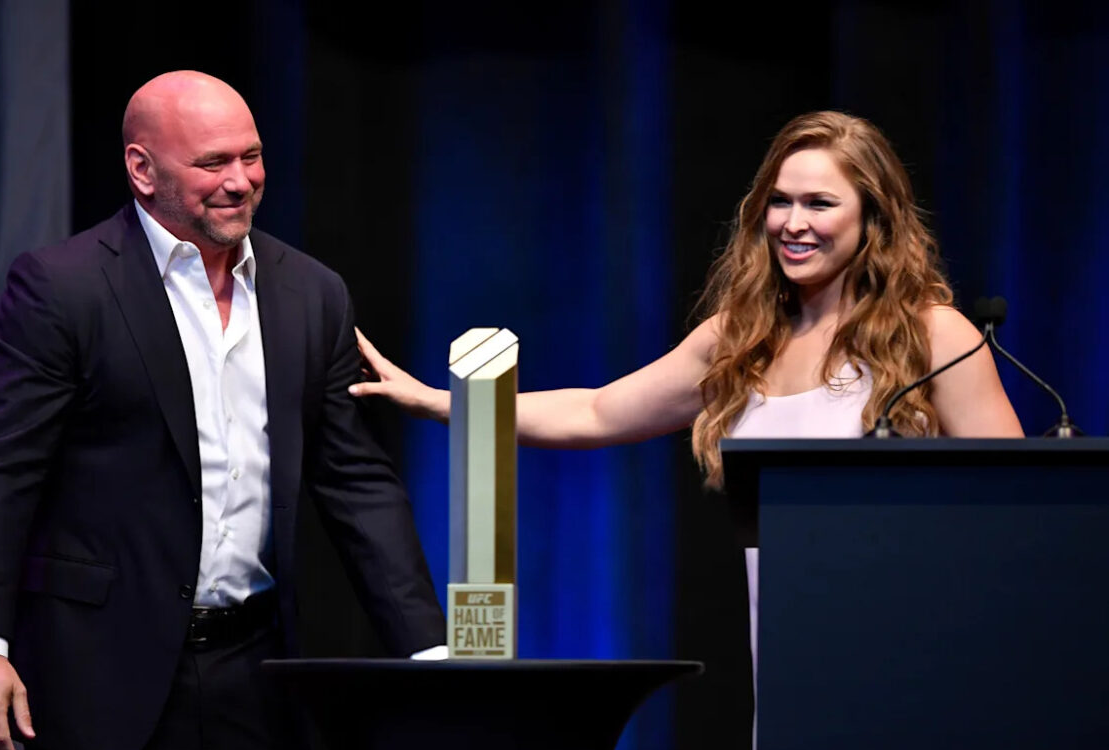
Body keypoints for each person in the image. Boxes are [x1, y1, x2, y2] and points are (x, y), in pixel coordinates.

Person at [348, 108, 1024, 700]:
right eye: (780, 202)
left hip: (917, 650)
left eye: (820, 204)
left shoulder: (933, 334)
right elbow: (598, 413)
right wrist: (445, 403)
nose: (793, 224)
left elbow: (1015, 508)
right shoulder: (742, 338)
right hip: (790, 663)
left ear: (874, 216)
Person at [0, 70, 444, 750]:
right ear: (142, 170)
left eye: (251, 156)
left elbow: (355, 482)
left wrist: (430, 651)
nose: (240, 181)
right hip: (102, 678)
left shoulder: (312, 293)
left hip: (260, 677)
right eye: (213, 163)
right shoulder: (62, 288)